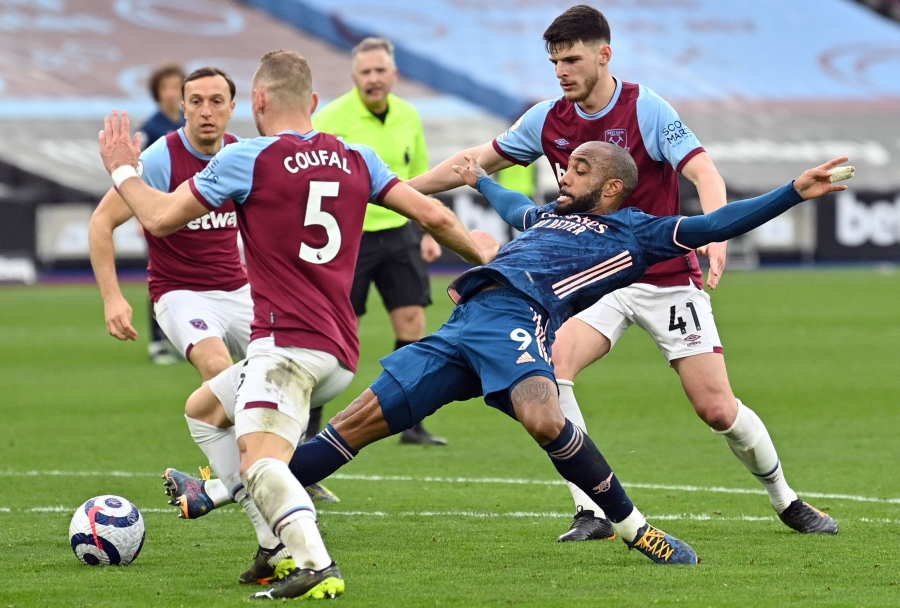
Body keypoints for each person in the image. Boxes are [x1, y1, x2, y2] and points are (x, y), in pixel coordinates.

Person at [278, 147, 851, 569]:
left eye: (579, 168)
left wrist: (793, 191)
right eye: (567, 164)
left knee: (550, 416)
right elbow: (512, 204)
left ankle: (635, 530)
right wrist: (479, 179)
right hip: (464, 324)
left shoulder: (637, 232)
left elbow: (716, 222)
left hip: (517, 320)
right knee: (354, 425)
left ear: (610, 190)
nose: (564, 171)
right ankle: (225, 487)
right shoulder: (547, 216)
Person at [406, 4, 838, 541]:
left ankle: (786, 499)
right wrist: (392, 192)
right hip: (592, 279)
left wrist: (717, 235)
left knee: (716, 408)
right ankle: (591, 510)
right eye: (554, 61)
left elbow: (702, 170)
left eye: (571, 59)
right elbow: (474, 163)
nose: (561, 70)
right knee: (552, 369)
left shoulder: (646, 109)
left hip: (661, 270)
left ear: (604, 54)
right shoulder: (546, 118)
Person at [98, 50, 496, 600]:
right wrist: (486, 262)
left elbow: (159, 217)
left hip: (285, 346)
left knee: (262, 463)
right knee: (205, 411)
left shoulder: (250, 158)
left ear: (256, 102)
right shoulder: (358, 156)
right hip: (340, 352)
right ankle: (270, 544)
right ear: (313, 103)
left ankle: (314, 562)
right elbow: (437, 216)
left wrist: (121, 167)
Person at [312, 37, 446, 446]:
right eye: (365, 72)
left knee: (412, 322)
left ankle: (409, 422)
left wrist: (424, 231)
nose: (373, 79)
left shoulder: (408, 115)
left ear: (394, 74)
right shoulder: (331, 117)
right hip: (347, 235)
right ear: (354, 77)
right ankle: (307, 426)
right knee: (332, 329)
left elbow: (420, 173)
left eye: (379, 71)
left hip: (400, 230)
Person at [140, 64, 187, 365]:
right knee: (161, 273)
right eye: (166, 87)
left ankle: (183, 337)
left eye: (177, 86)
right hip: (160, 208)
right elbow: (139, 176)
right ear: (157, 94)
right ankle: (157, 340)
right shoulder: (152, 128)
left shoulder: (192, 123)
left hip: (191, 208)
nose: (172, 93)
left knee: (191, 275)